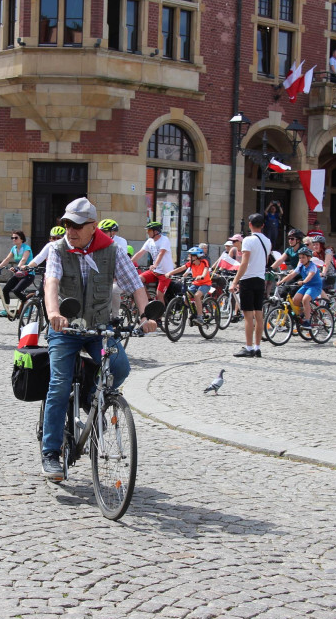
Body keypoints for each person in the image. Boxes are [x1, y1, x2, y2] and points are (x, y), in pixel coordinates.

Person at [41, 197, 158, 480]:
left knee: (120, 367)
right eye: (67, 224)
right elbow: (51, 282)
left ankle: (92, 397)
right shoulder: (57, 249)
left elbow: (135, 285)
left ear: (93, 226)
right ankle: (51, 452)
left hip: (99, 329)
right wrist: (54, 313)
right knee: (59, 386)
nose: (71, 231)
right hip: (66, 330)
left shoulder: (112, 250)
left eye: (77, 225)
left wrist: (145, 316)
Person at [231, 213, 272, 358]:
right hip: (260, 279)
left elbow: (244, 262)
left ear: (249, 224)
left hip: (248, 279)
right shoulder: (267, 241)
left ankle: (249, 348)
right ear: (263, 225)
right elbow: (265, 260)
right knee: (258, 314)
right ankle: (257, 347)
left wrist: (235, 281)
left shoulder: (248, 240)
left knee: (248, 316)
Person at [166, 246, 212, 326]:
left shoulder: (204, 262)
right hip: (195, 283)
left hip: (205, 284)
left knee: (197, 296)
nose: (188, 257)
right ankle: (194, 310)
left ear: (196, 256)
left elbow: (205, 269)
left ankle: (200, 317)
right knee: (185, 297)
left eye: (190, 256)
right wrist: (170, 273)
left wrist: (202, 276)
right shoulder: (191, 263)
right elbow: (181, 268)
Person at [278, 247, 321, 326]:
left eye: (303, 257)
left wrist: (303, 281)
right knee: (295, 300)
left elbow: (310, 275)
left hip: (314, 286)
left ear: (309, 258)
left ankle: (307, 321)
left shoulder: (312, 266)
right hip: (306, 285)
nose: (301, 259)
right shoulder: (301, 265)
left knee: (305, 299)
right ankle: (302, 315)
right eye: (300, 258)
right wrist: (281, 281)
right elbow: (292, 274)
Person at [131, 221, 172, 300]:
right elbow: (140, 253)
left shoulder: (164, 240)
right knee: (138, 280)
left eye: (149, 230)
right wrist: (129, 263)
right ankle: (149, 300)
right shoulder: (149, 241)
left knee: (159, 295)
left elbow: (161, 253)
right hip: (154, 272)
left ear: (156, 231)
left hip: (165, 273)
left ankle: (161, 308)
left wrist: (155, 265)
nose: (147, 232)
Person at [0, 230, 34, 316]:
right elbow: (7, 259)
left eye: (16, 238)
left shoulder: (26, 248)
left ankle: (29, 307)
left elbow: (24, 259)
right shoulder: (13, 248)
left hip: (28, 274)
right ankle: (6, 309)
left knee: (16, 290)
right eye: (12, 238)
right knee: (5, 289)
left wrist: (17, 267)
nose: (13, 239)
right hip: (19, 274)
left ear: (21, 239)